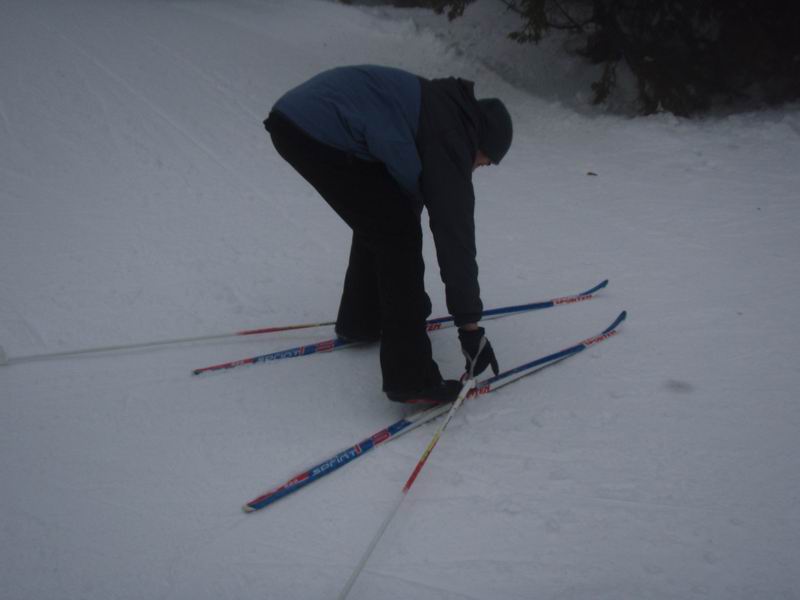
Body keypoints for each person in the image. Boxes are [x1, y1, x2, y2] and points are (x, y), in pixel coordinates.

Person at [264, 65, 512, 404]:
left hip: (299, 119)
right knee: (397, 240)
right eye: (486, 161)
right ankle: (411, 379)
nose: (480, 167)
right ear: (481, 141)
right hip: (315, 128)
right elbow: (456, 240)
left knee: (386, 221)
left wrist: (411, 303)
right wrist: (470, 328)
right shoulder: (452, 139)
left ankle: (362, 320)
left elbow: (405, 199)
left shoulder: (440, 111)